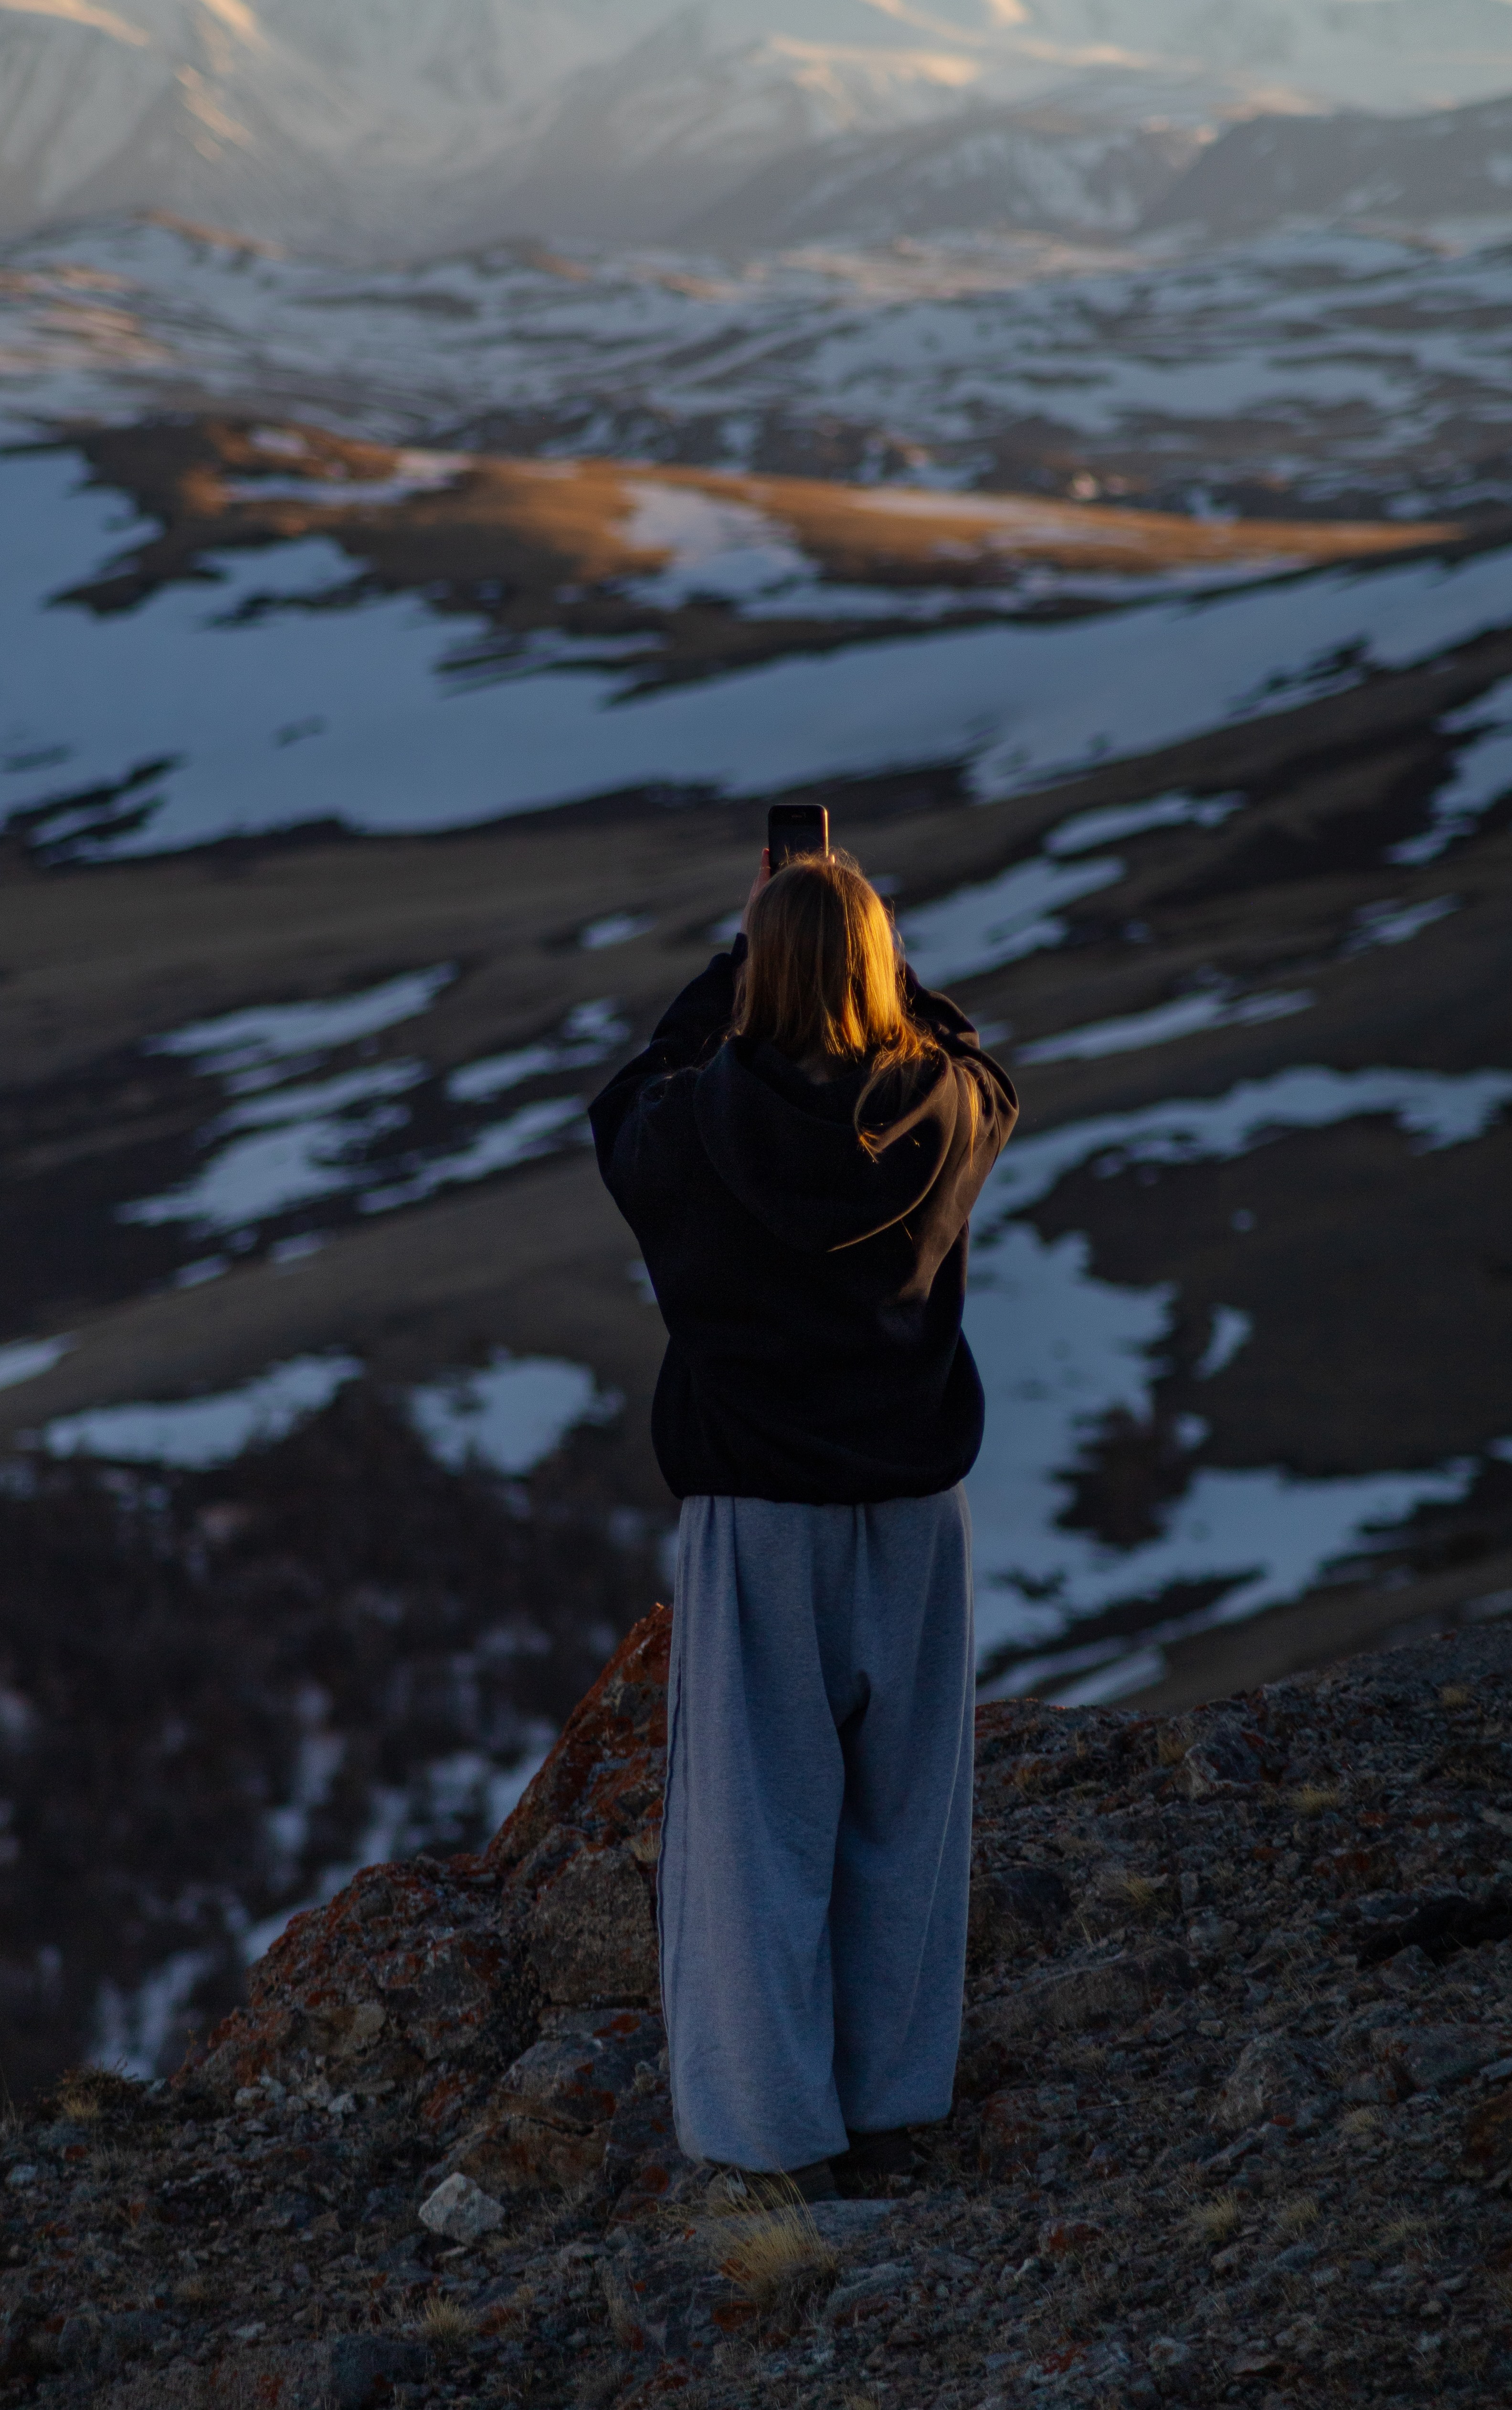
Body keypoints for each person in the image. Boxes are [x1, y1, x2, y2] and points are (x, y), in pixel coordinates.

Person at [588, 844, 1017, 2199]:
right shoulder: (942, 1106)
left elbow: (622, 1102)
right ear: (880, 969)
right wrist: (884, 975)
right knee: (904, 1818)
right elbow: (982, 1065)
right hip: (912, 1513)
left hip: (760, 1515)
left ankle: (775, 2131)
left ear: (754, 971)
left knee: (757, 1829)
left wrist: (739, 968)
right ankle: (889, 2108)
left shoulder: (694, 1124)